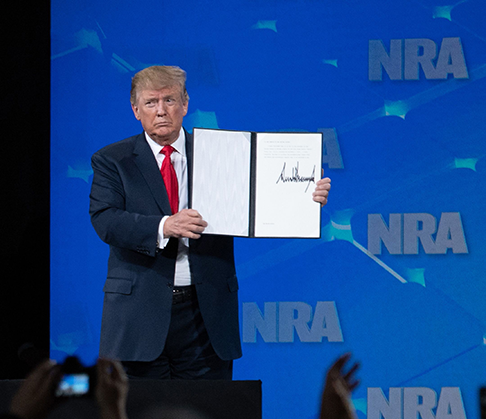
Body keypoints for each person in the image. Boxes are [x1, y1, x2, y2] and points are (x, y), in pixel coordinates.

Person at [89, 65, 331, 379]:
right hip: (139, 317)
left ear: (186, 105)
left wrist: (304, 197)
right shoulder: (112, 160)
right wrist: (165, 225)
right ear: (136, 109)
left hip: (205, 317)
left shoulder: (223, 154)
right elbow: (106, 220)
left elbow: (261, 199)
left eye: (170, 100)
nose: (161, 110)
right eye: (151, 103)